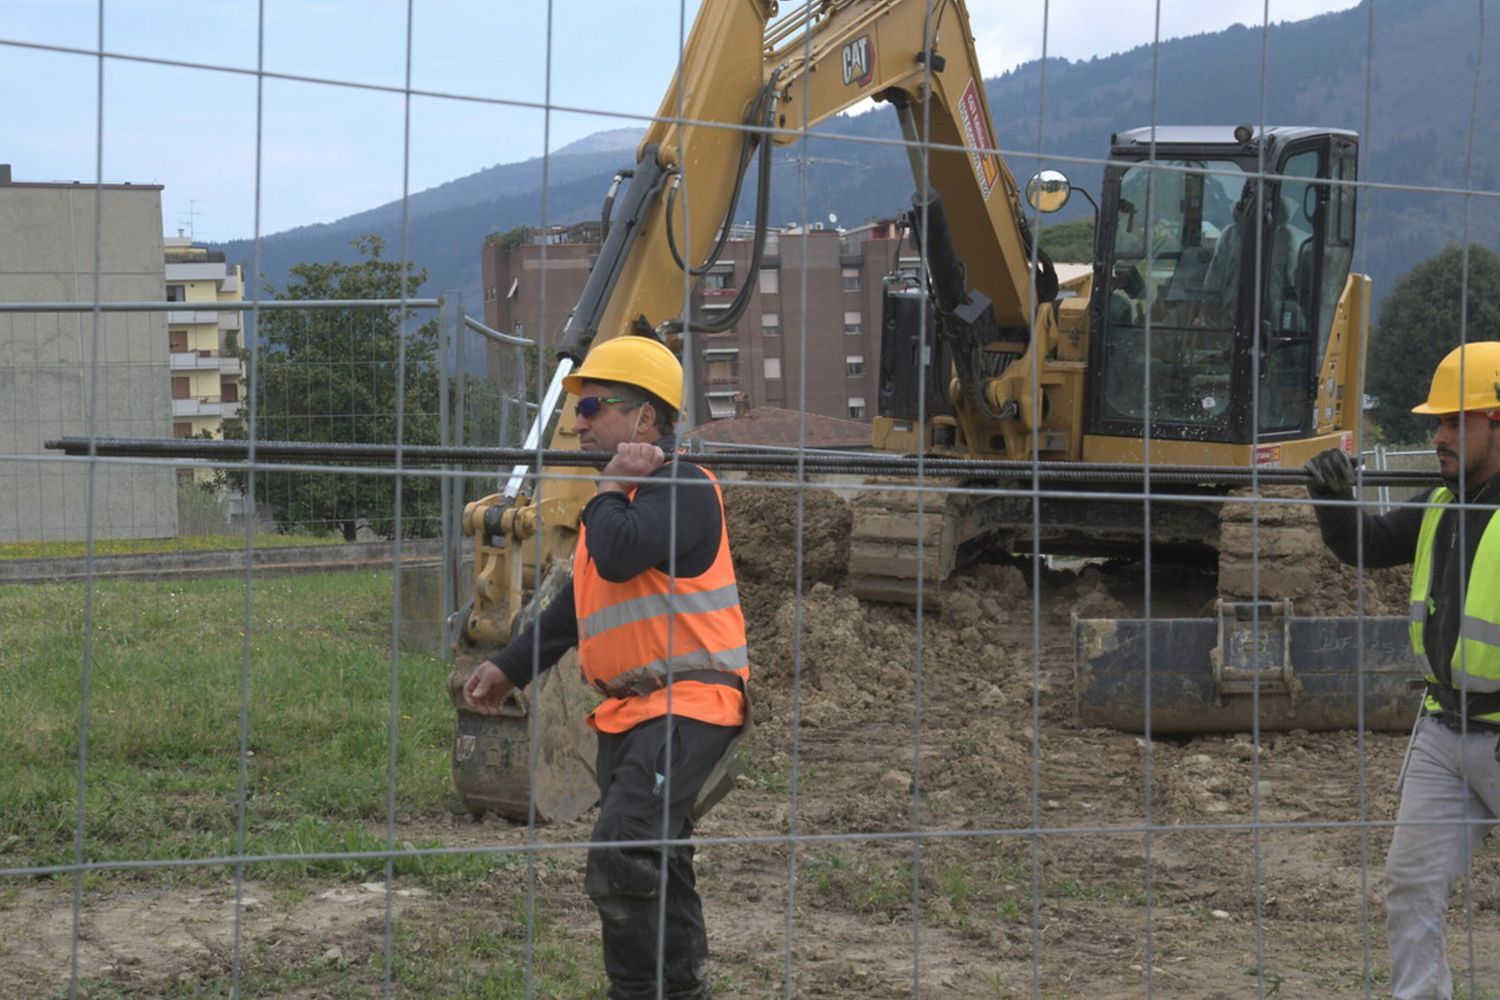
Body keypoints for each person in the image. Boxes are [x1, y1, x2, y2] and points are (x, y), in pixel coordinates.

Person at [463, 334, 749, 1000]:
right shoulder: (619, 502)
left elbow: (618, 556)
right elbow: (580, 606)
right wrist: (510, 666)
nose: (579, 420)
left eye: (594, 405)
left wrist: (611, 486)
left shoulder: (680, 486)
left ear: (646, 418)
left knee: (623, 852)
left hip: (690, 705)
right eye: (578, 408)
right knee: (660, 859)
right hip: (636, 713)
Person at [1305, 341, 1500, 999]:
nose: (1438, 436)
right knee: (1411, 884)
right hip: (1446, 732)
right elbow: (1366, 545)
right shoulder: (1441, 504)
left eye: (1455, 422)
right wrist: (1332, 497)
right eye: (1436, 423)